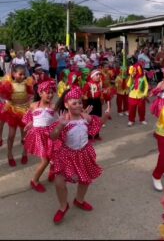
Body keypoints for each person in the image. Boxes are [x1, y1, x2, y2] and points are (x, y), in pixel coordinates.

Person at [49, 87, 110, 224]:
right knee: (59, 182)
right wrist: (60, 126)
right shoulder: (63, 119)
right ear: (66, 105)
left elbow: (97, 124)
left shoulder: (86, 117)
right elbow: (53, 137)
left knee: (85, 179)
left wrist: (105, 117)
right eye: (74, 103)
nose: (78, 105)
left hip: (84, 153)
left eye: (80, 103)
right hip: (66, 155)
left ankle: (79, 200)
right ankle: (63, 206)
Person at [23, 80, 59, 192]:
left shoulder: (54, 107)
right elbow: (30, 117)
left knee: (53, 154)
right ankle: (34, 180)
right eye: (47, 92)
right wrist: (30, 124)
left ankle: (52, 169)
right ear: (40, 93)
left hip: (50, 135)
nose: (50, 94)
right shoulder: (33, 105)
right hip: (38, 136)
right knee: (45, 160)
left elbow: (57, 120)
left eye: (52, 92)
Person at [0, 65, 34, 166]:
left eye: (24, 74)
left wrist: (30, 101)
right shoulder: (8, 83)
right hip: (13, 111)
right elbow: (4, 95)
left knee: (25, 136)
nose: (22, 76)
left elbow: (31, 94)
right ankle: (9, 155)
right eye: (20, 74)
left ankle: (24, 153)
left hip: (25, 111)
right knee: (11, 136)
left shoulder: (27, 83)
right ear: (14, 74)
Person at [82, 69, 111, 140]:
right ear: (92, 76)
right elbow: (83, 94)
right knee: (90, 119)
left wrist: (104, 92)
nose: (98, 76)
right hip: (91, 102)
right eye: (96, 75)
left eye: (99, 75)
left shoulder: (100, 83)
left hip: (98, 102)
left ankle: (97, 134)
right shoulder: (88, 84)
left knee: (98, 119)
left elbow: (103, 91)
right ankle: (89, 135)